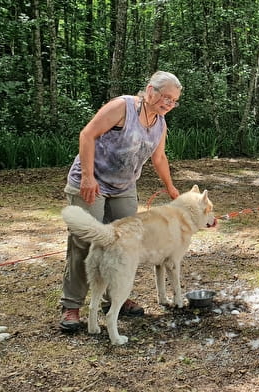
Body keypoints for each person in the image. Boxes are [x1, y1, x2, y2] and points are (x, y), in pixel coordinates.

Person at [60, 71, 182, 331]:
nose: (169, 105)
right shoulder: (122, 107)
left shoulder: (160, 123)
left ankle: (115, 299)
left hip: (124, 186)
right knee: (86, 241)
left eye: (174, 101)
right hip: (92, 182)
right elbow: (87, 135)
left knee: (125, 243)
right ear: (150, 91)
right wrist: (88, 177)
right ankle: (71, 306)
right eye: (166, 98)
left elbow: (159, 158)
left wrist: (171, 188)